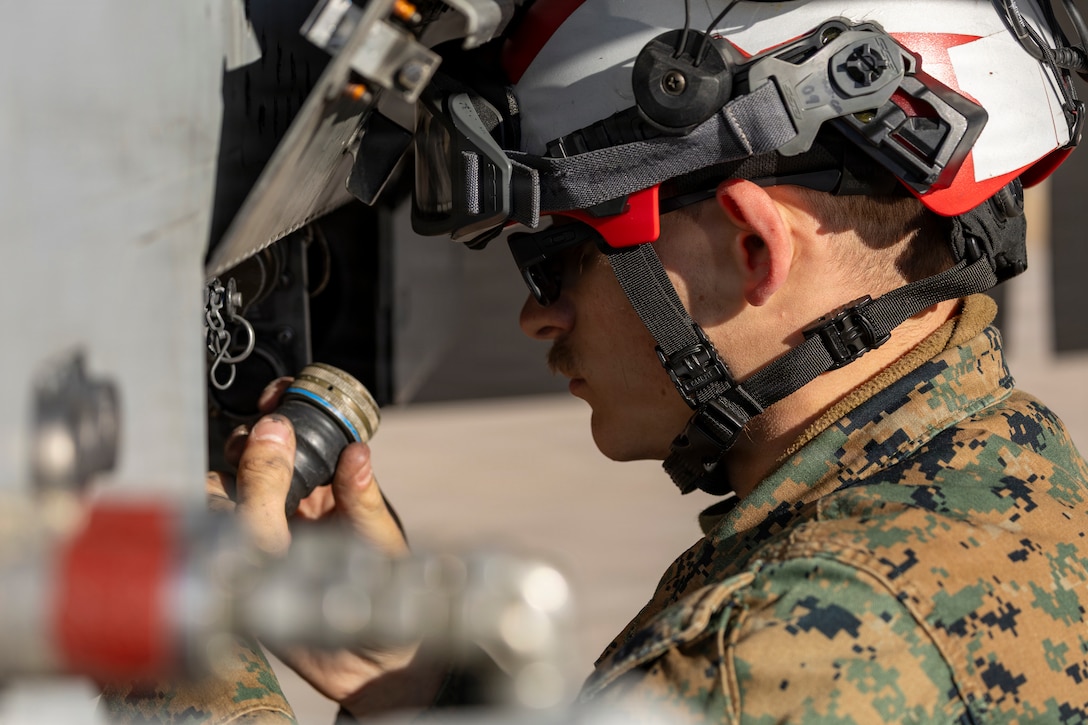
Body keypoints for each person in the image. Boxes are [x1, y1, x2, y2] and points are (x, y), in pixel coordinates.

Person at [102, 0, 1088, 722]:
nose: (539, 320)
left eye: (556, 256)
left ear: (751, 249)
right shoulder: (1002, 473)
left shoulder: (778, 652)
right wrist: (419, 680)